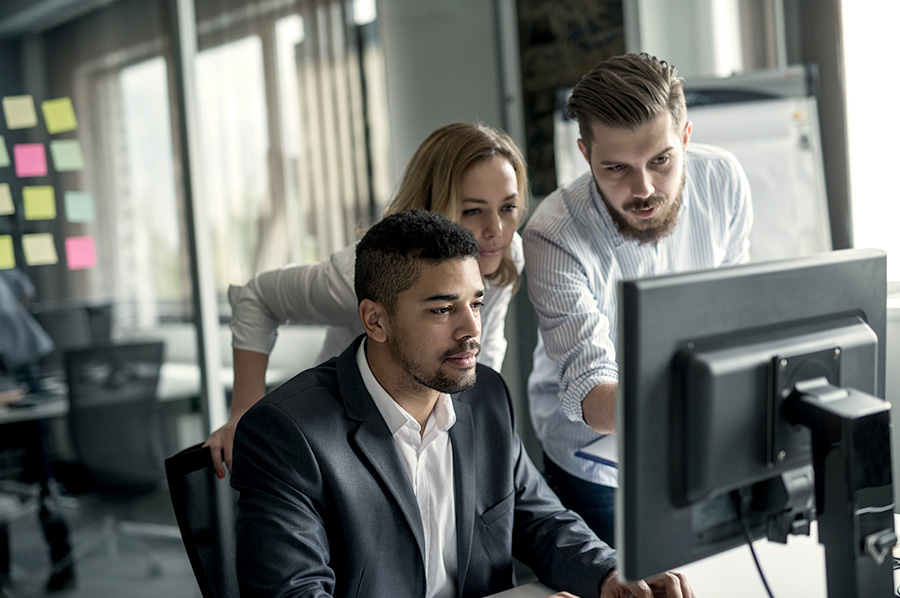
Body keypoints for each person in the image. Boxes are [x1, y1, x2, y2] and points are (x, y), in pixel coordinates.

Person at [230, 209, 694, 598]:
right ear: (375, 320)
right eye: (442, 309)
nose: (470, 328)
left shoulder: (484, 396)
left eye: (476, 303)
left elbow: (541, 520)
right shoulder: (288, 434)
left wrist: (612, 574)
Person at [206, 122, 528, 477]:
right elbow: (257, 297)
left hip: (425, 425)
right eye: (473, 210)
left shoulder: (505, 252)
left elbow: (485, 353)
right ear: (435, 204)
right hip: (342, 431)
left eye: (508, 207)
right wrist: (243, 414)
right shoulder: (361, 275)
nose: (496, 229)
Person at [523, 52, 754, 544]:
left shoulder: (724, 180)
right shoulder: (552, 235)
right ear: (586, 155)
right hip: (596, 458)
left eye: (661, 160)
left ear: (685, 136)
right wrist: (717, 398)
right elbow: (591, 392)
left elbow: (735, 312)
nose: (644, 188)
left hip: (702, 438)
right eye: (617, 168)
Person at [0, 269, 76, 593]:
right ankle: (61, 564)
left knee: (38, 479)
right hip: (20, 380)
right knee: (38, 479)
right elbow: (24, 291)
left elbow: (23, 291)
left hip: (18, 385)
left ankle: (56, 564)